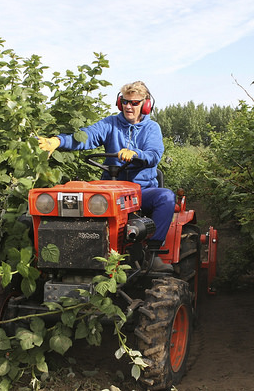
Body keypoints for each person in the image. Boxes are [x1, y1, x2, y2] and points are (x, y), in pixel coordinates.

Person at [38, 81, 174, 272]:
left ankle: (153, 255)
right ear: (120, 103)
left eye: (134, 103)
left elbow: (153, 154)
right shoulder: (110, 124)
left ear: (145, 105)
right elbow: (86, 136)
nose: (129, 106)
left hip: (141, 191)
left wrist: (136, 154)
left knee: (166, 197)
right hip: (110, 189)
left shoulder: (152, 128)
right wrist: (58, 141)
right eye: (125, 102)